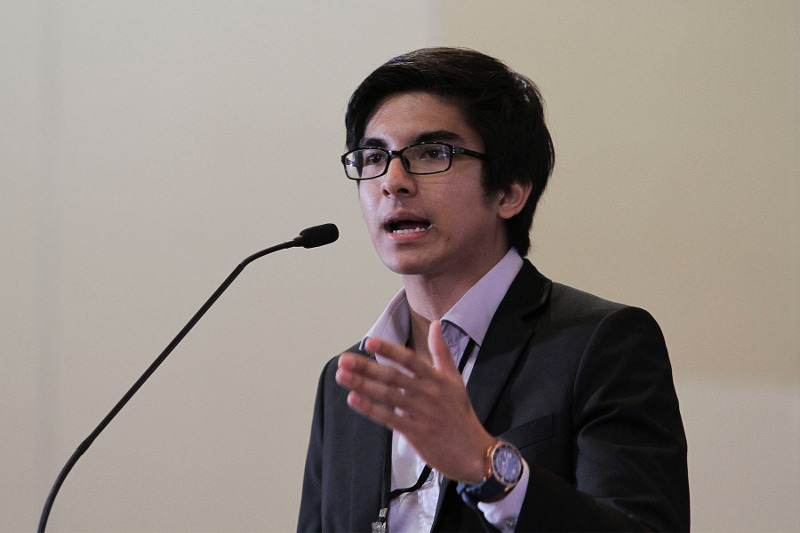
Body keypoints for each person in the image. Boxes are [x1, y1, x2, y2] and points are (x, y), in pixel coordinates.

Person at [297, 47, 689, 532]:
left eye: (431, 153)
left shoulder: (601, 344)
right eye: (374, 156)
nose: (392, 182)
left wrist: (489, 468)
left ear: (510, 192)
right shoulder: (347, 382)